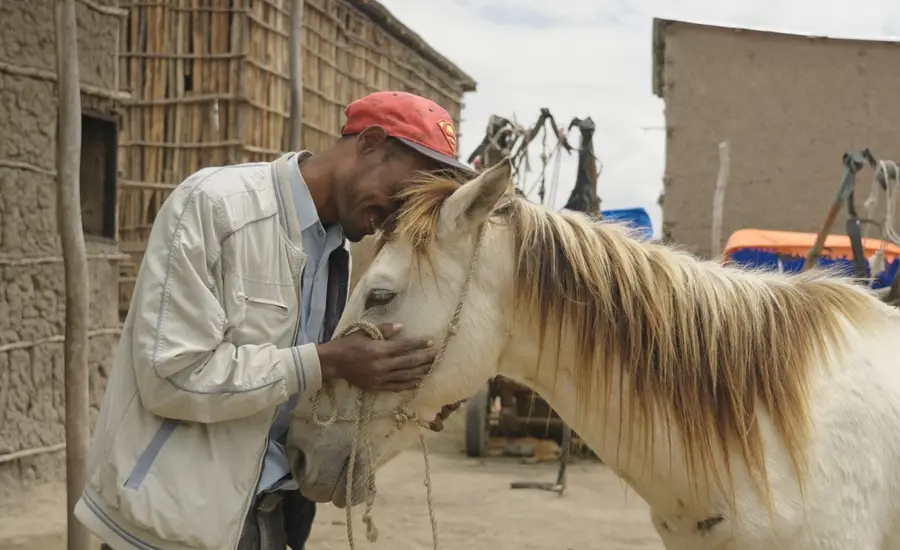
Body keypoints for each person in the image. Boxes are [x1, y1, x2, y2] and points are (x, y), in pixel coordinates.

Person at [75, 91, 472, 550]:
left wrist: (414, 396)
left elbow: (306, 395)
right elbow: (173, 377)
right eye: (403, 193)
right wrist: (326, 361)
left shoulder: (341, 251)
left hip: (277, 523)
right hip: (174, 528)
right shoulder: (215, 207)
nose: (400, 215)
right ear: (371, 142)